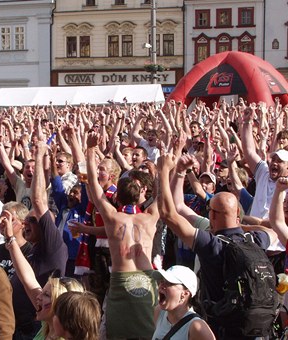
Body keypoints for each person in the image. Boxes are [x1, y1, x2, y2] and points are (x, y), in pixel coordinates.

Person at [157, 153, 277, 339]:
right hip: (255, 328)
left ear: (212, 216)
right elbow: (271, 231)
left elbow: (167, 214)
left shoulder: (211, 245)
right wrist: (238, 225)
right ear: (237, 214)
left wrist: (164, 171)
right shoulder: (254, 239)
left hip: (220, 329)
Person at [85, 131, 159, 339]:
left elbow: (94, 187)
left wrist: (91, 150)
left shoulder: (113, 217)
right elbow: (163, 196)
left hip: (120, 280)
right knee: (147, 333)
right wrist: (163, 169)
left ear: (118, 196)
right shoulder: (150, 218)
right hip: (146, 279)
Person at [11, 140, 68, 340]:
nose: (27, 223)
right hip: (23, 325)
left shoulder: (53, 245)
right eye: (26, 219)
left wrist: (39, 155)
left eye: (33, 221)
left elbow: (38, 200)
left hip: (42, 327)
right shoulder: (32, 249)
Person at [2, 208, 84, 340]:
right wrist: (10, 239)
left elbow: (38, 200)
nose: (38, 297)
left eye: (46, 294)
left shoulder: (55, 247)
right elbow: (28, 279)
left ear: (60, 305)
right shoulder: (46, 326)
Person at [152, 265, 215, 340]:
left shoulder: (196, 327)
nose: (161, 285)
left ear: (184, 294)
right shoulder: (159, 312)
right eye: (162, 281)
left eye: (169, 283)